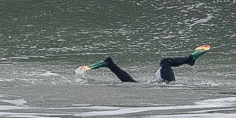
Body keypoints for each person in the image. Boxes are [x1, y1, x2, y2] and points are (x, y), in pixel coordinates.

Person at [77, 45, 210, 83]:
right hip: (165, 84)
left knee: (132, 83)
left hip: (164, 85)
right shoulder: (169, 84)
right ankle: (189, 59)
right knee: (164, 62)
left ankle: (110, 64)